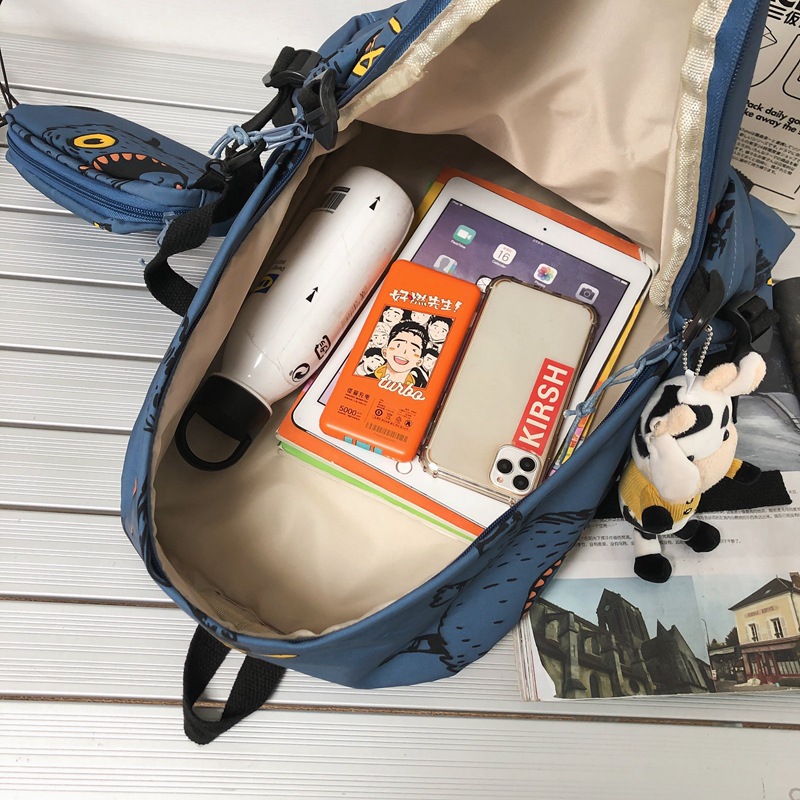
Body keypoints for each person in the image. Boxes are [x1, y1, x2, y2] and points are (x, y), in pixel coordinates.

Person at [373, 320, 429, 386]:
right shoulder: (367, 379)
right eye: (398, 345)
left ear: (419, 362)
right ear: (385, 352)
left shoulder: (420, 386)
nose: (404, 352)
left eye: (413, 350)